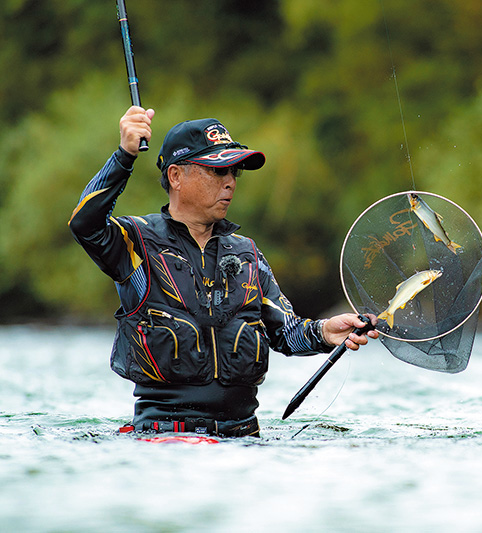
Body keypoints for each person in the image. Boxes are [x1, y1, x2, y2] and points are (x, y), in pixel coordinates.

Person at [69, 106, 378, 438]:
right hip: (162, 441)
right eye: (218, 171)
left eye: (235, 172)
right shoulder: (134, 244)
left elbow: (287, 333)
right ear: (175, 176)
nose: (230, 182)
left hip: (245, 440)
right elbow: (85, 224)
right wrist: (125, 155)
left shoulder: (246, 252)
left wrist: (326, 332)